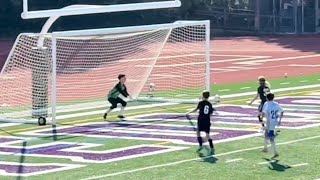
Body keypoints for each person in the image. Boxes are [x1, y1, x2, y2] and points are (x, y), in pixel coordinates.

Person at [261, 93, 284, 159]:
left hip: (270, 122)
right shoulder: (276, 104)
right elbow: (282, 111)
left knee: (271, 137)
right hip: (274, 121)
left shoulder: (266, 104)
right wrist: (279, 120)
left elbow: (264, 113)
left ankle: (275, 152)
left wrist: (262, 119)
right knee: (266, 134)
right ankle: (265, 148)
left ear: (267, 98)